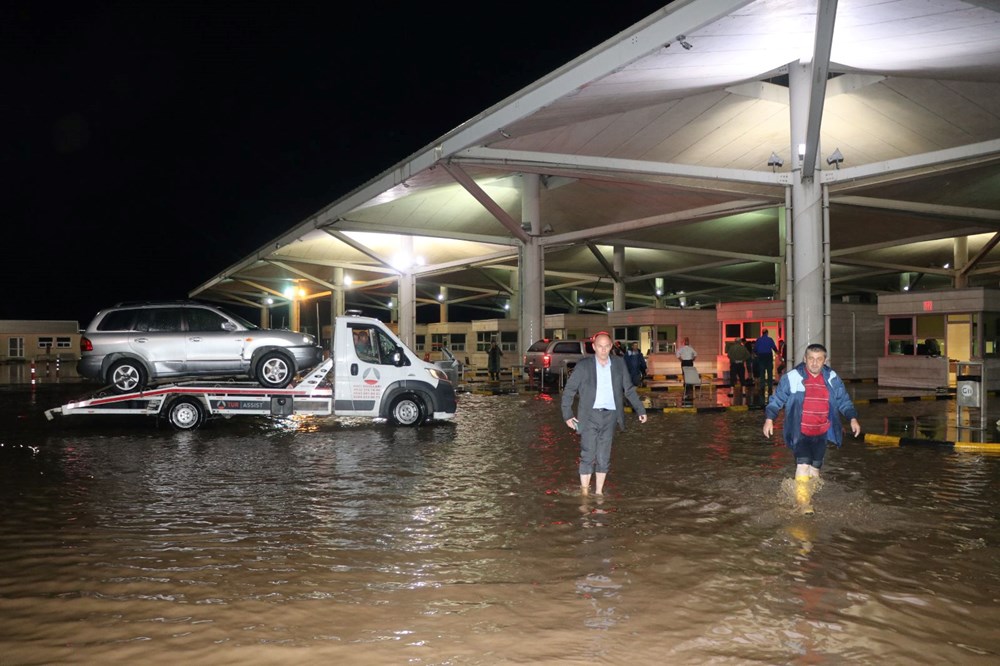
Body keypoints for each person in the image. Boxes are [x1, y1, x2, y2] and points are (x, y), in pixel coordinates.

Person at [762, 343, 861, 515]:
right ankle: (803, 505)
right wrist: (769, 419)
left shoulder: (832, 378)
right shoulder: (792, 377)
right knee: (803, 465)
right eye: (811, 359)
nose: (814, 363)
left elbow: (844, 400)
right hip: (800, 432)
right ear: (804, 359)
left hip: (821, 433)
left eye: (819, 359)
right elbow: (777, 399)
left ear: (825, 360)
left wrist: (852, 418)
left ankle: (806, 497)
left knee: (815, 471)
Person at [562, 332, 648, 495]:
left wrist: (640, 409)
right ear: (593, 347)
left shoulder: (618, 364)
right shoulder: (584, 365)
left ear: (611, 347)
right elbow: (569, 390)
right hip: (589, 416)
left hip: (610, 416)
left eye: (606, 346)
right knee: (588, 454)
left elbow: (628, 389)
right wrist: (567, 414)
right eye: (599, 346)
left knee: (604, 456)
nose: (603, 350)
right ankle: (585, 493)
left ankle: (599, 493)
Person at [754, 329, 779, 396]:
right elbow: (774, 347)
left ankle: (762, 386)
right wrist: (778, 353)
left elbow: (755, 349)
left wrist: (757, 354)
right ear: (767, 333)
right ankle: (770, 386)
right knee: (769, 372)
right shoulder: (770, 339)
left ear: (762, 333)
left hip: (761, 357)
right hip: (768, 356)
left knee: (762, 372)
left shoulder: (758, 340)